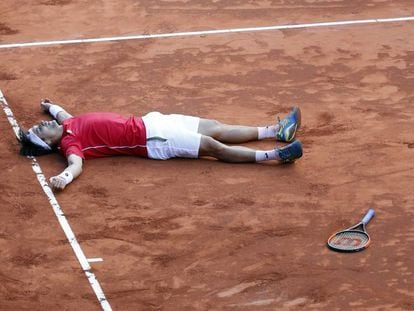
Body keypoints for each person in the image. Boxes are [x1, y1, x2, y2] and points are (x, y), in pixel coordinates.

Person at [19, 99, 303, 191]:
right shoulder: (70, 143)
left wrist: (51, 106)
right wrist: (64, 177)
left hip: (154, 121)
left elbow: (61, 114)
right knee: (213, 146)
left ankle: (278, 131)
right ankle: (276, 155)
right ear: (47, 143)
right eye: (39, 130)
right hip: (153, 140)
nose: (41, 124)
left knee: (215, 126)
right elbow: (76, 164)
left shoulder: (68, 124)